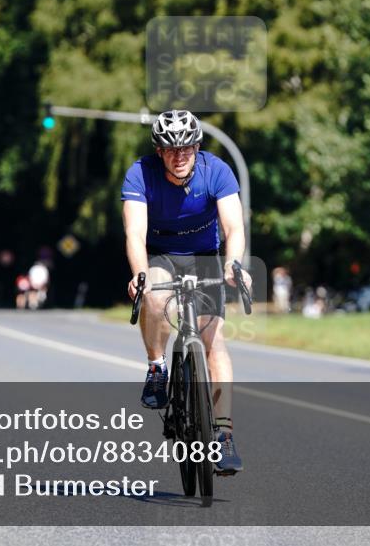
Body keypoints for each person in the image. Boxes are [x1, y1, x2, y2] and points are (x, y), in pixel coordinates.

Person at [122, 109, 250, 475]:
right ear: (159, 151)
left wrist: (234, 264)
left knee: (214, 342)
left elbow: (233, 226)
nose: (180, 156)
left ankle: (224, 436)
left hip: (205, 255)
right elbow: (134, 233)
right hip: (162, 253)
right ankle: (157, 368)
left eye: (187, 148)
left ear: (197, 147)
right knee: (155, 297)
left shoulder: (217, 171)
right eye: (170, 149)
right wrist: (140, 273)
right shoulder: (140, 174)